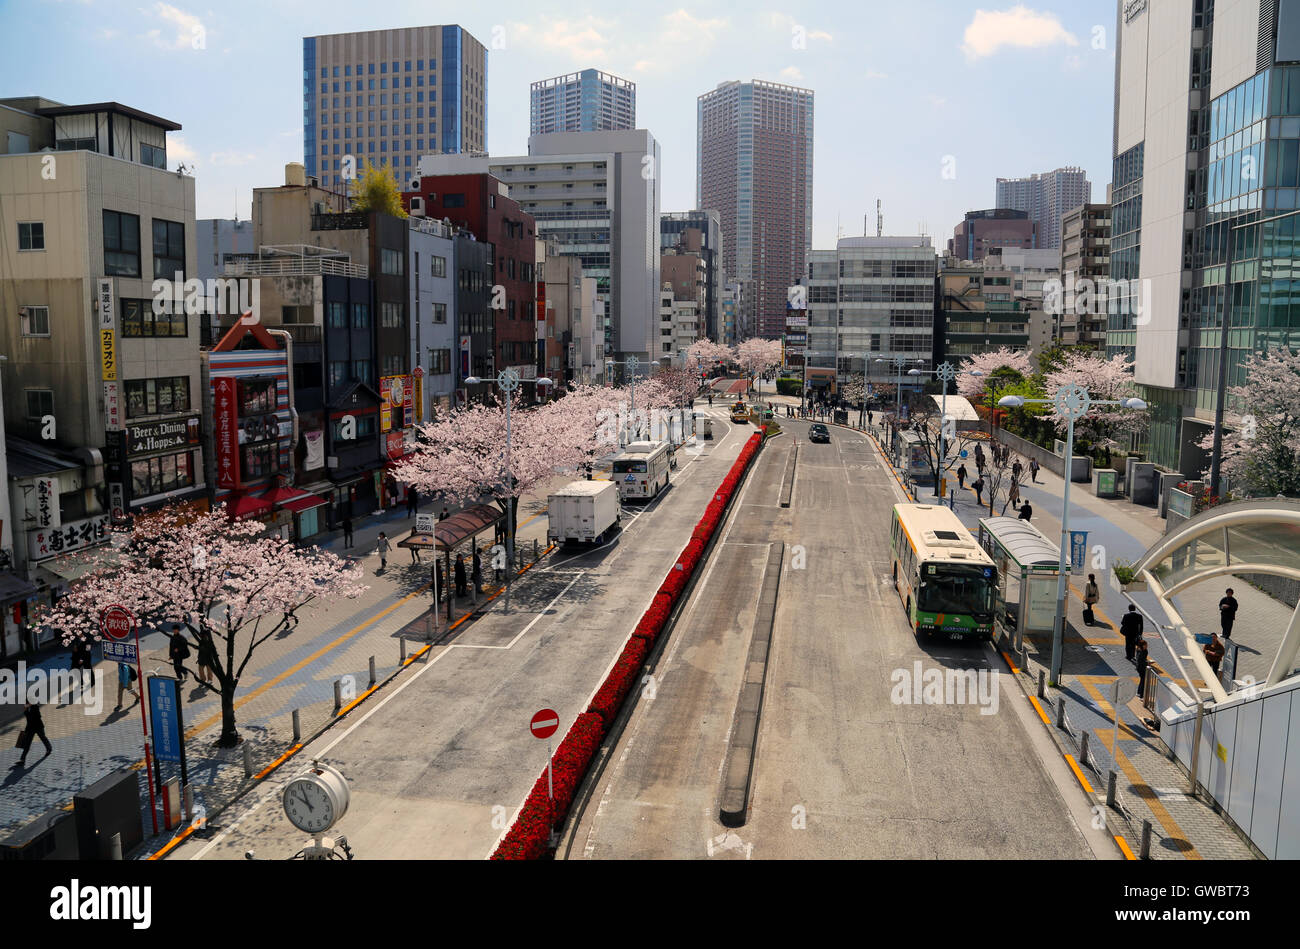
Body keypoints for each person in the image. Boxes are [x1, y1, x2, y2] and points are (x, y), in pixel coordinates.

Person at [16, 702, 52, 767]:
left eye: (27, 703)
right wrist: (25, 710)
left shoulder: (35, 707)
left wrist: (27, 711)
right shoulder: (27, 708)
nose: (25, 704)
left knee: (43, 738)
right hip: (30, 728)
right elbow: (28, 718)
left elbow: (37, 716)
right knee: (27, 743)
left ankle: (49, 748)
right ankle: (22, 760)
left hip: (38, 727)